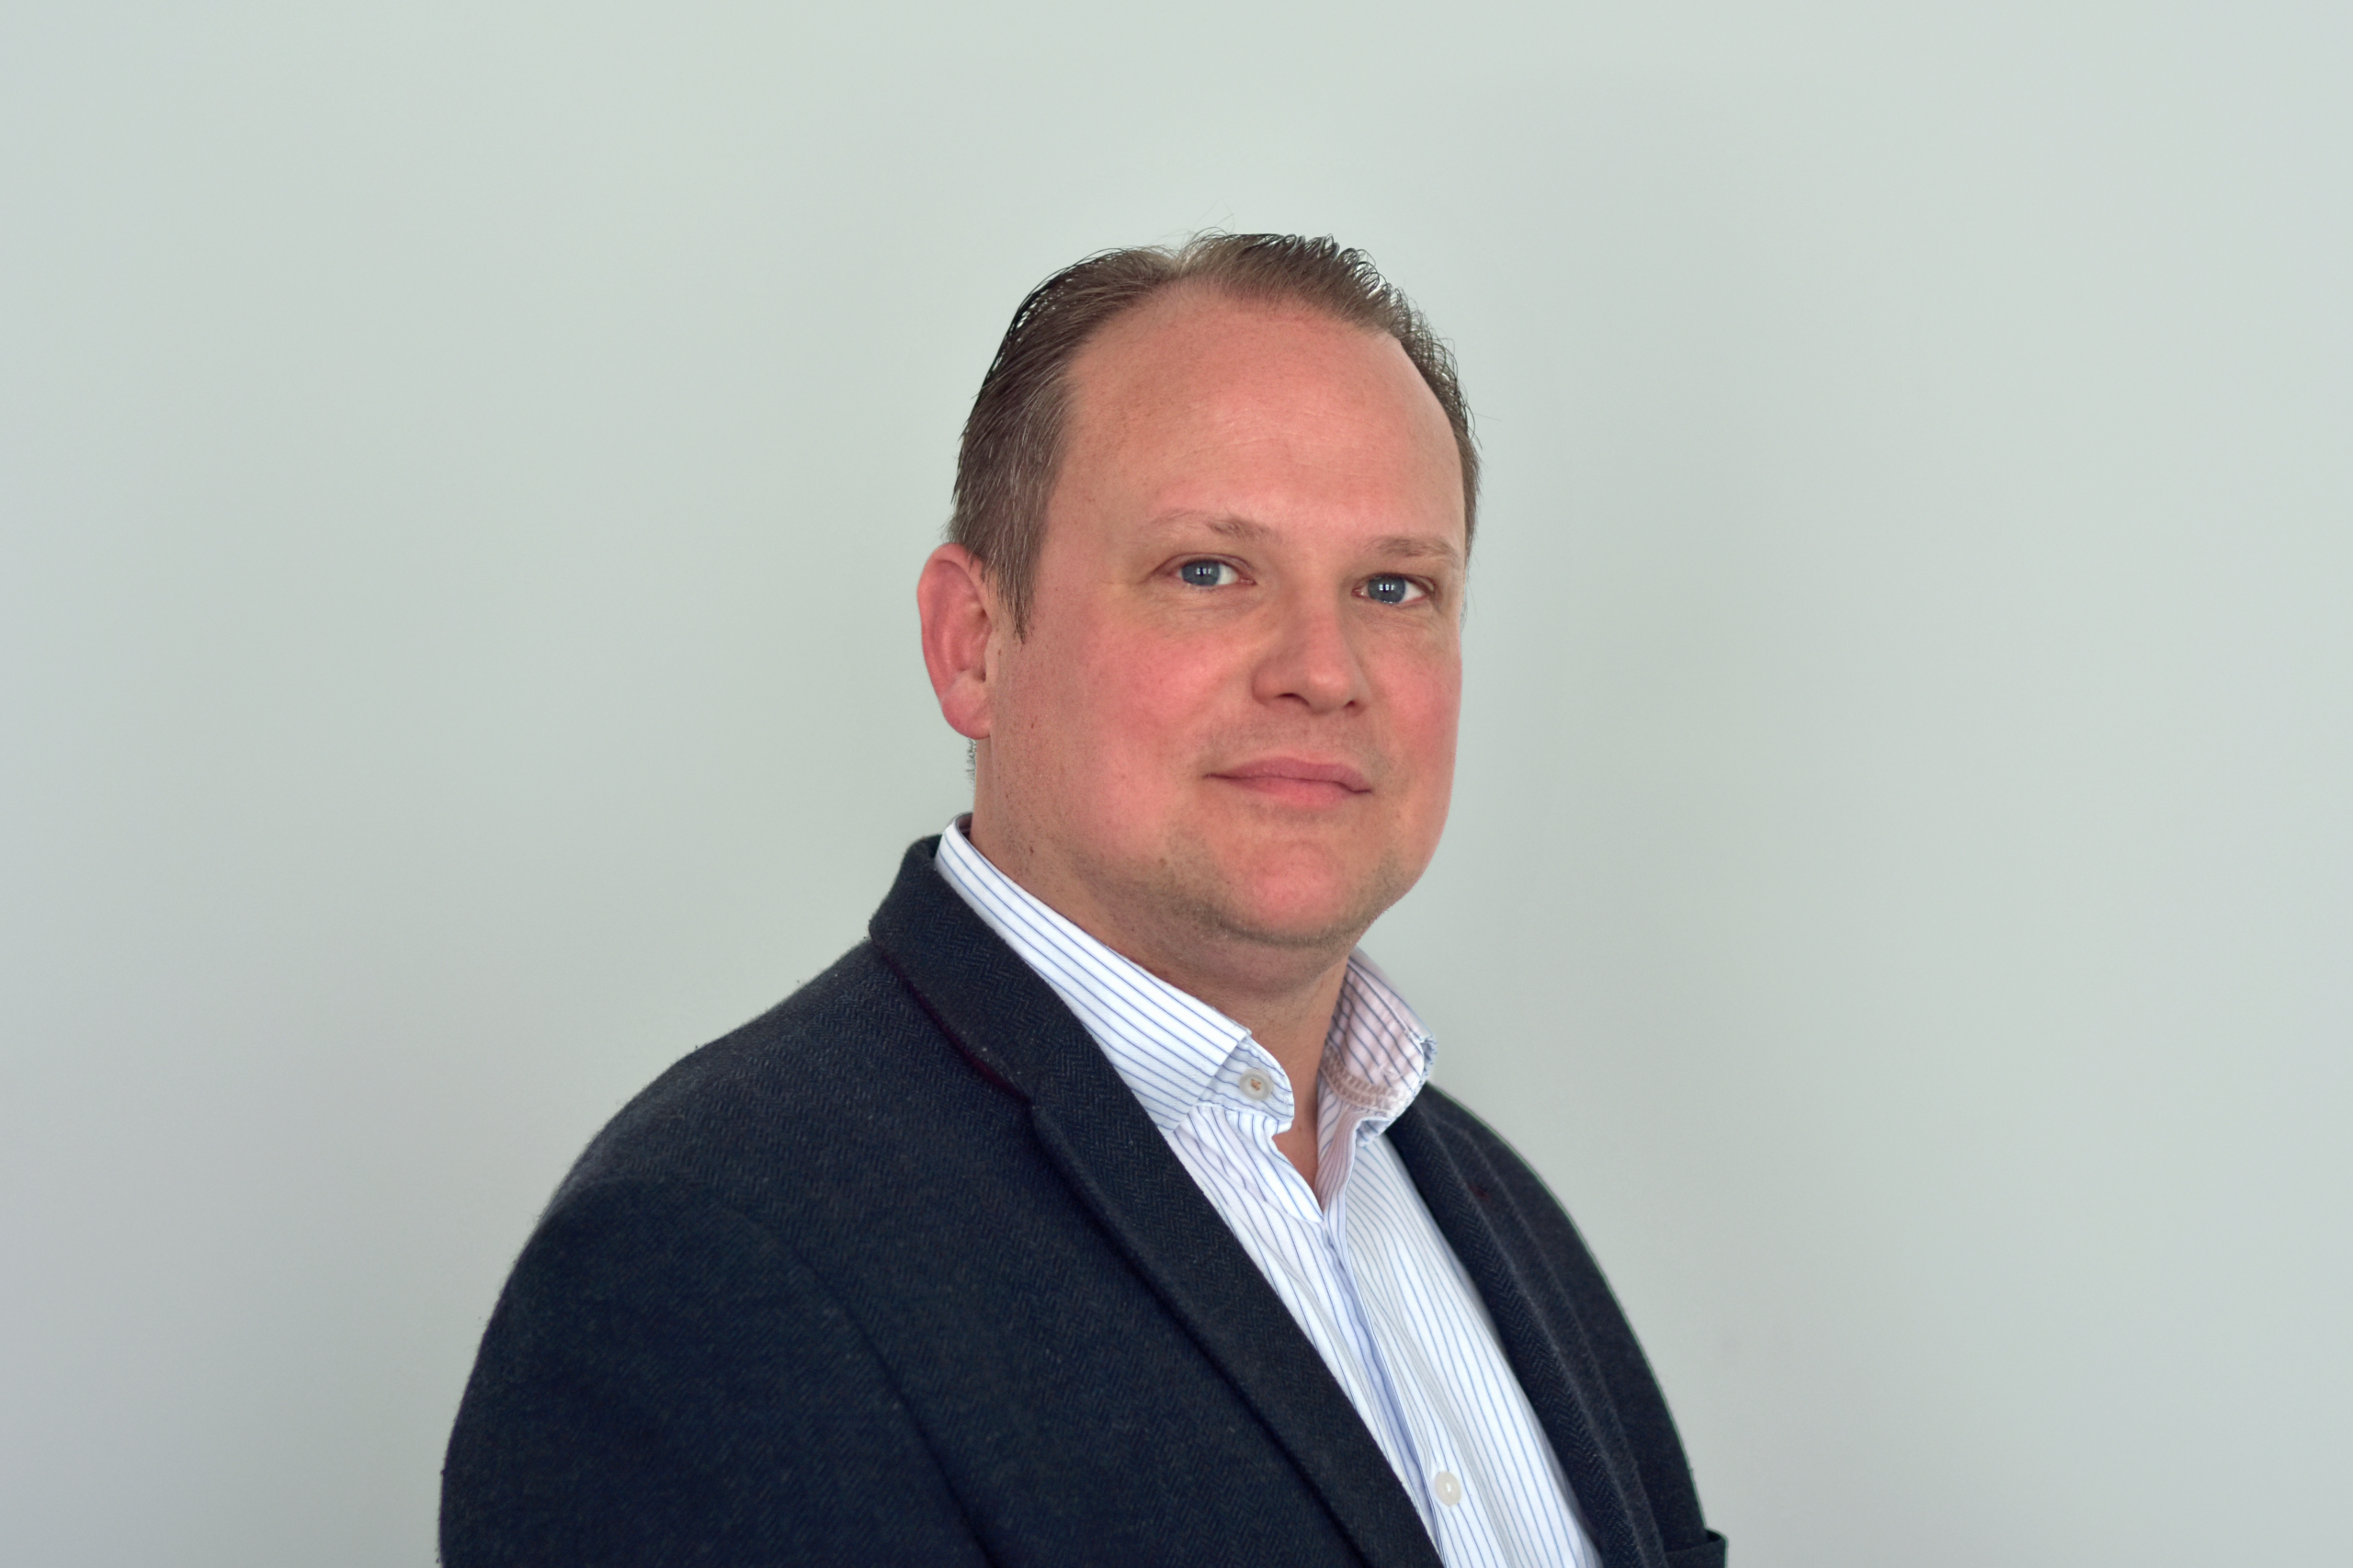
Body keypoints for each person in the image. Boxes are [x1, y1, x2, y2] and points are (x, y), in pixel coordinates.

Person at [441, 234, 1726, 1568]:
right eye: (1208, 570)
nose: (1323, 668)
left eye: (1393, 587)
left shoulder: (1497, 1215)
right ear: (973, 645)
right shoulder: (710, 1264)